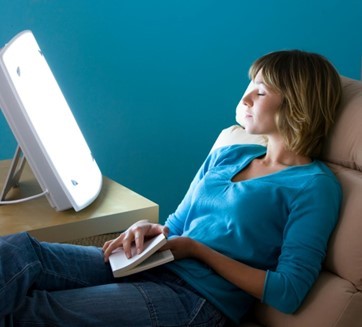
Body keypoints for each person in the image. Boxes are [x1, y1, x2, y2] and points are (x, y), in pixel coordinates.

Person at [1, 50, 343, 327]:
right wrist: (145, 230)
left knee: (34, 312)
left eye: (262, 91)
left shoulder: (314, 187)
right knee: (19, 252)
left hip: (197, 301)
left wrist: (197, 250)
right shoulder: (230, 154)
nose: (247, 96)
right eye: (250, 84)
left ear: (297, 105)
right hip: (153, 265)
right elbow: (177, 226)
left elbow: (288, 292)